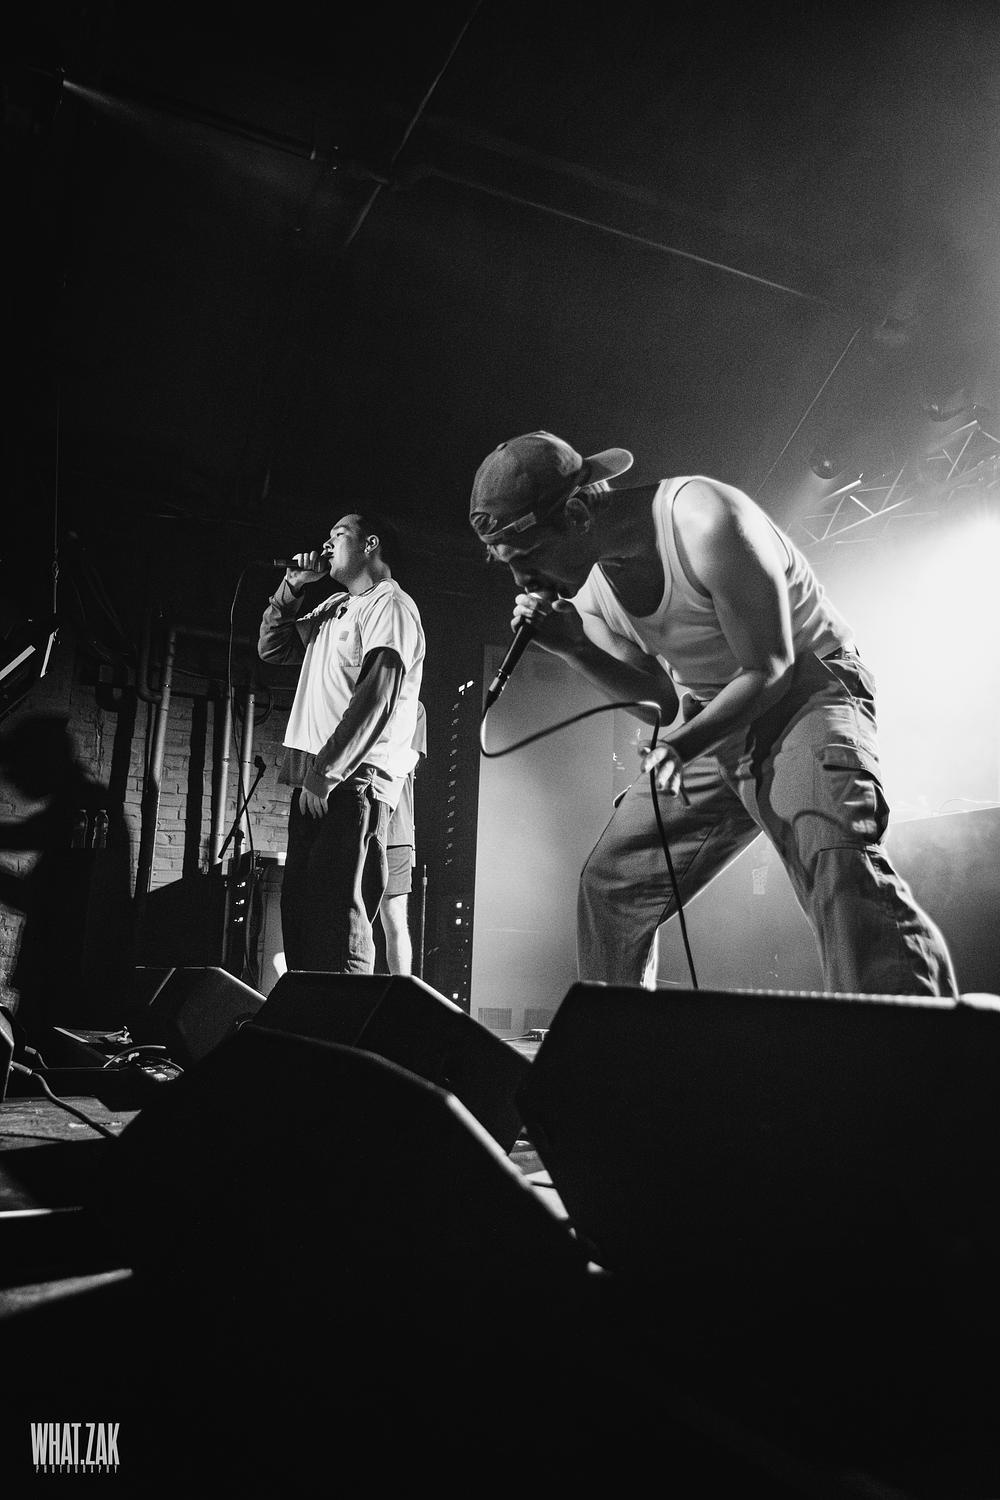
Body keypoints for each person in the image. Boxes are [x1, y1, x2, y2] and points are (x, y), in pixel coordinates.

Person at [470, 430, 957, 997]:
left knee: (835, 859)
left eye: (527, 557)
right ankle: (620, 1046)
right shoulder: (587, 592)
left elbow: (769, 669)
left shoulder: (703, 519)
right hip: (712, 713)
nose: (522, 581)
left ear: (577, 513)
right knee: (614, 882)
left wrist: (682, 746)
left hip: (806, 693)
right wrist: (576, 648)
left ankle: (914, 1042)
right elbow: (660, 700)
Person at [258, 513, 425, 974]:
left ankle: (343, 1015)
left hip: (353, 780)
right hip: (316, 778)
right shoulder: (334, 606)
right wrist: (292, 586)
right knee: (302, 919)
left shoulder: (390, 606)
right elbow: (272, 648)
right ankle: (309, 1014)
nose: (327, 543)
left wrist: (327, 771)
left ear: (370, 544)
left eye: (339, 534)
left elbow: (376, 696)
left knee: (339, 925)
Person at [376, 701, 427, 976]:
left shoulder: (414, 708)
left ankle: (400, 991)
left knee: (394, 918)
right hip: (361, 825)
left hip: (395, 829)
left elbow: (408, 759)